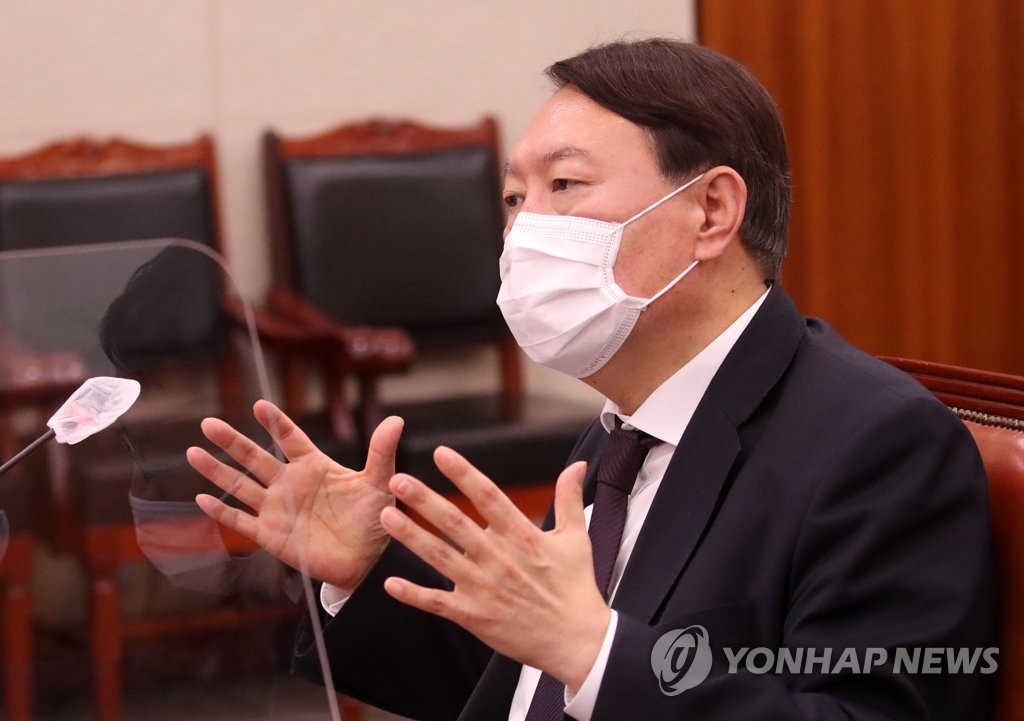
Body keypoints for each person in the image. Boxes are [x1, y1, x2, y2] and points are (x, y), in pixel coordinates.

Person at [186, 39, 995, 721]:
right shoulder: (622, 433)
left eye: (563, 186)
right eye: (513, 198)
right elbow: (521, 684)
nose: (524, 229)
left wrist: (598, 652)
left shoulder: (881, 443)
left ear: (711, 211)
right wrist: (363, 574)